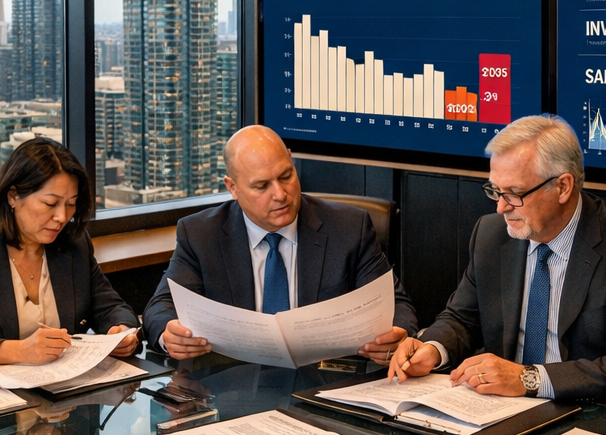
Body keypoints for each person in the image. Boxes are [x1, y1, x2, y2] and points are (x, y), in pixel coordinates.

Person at [388, 114, 606, 401]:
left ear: (563, 187)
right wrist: (434, 348)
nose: (501, 207)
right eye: (495, 191)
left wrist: (528, 378)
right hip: (495, 406)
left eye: (514, 193)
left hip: (581, 413)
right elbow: (462, 318)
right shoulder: (491, 234)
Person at [142, 125, 418, 361]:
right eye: (261, 186)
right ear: (233, 188)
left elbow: (398, 307)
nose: (280, 194)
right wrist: (170, 334)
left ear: (291, 161)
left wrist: (397, 334)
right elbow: (160, 307)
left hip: (327, 386)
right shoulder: (200, 234)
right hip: (232, 387)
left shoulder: (349, 227)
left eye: (286, 176)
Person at [0, 136, 139, 368]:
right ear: (13, 196)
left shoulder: (74, 244)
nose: (62, 217)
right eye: (50, 204)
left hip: (64, 392)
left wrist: (122, 331)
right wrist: (20, 350)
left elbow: (112, 308)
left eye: (71, 204)